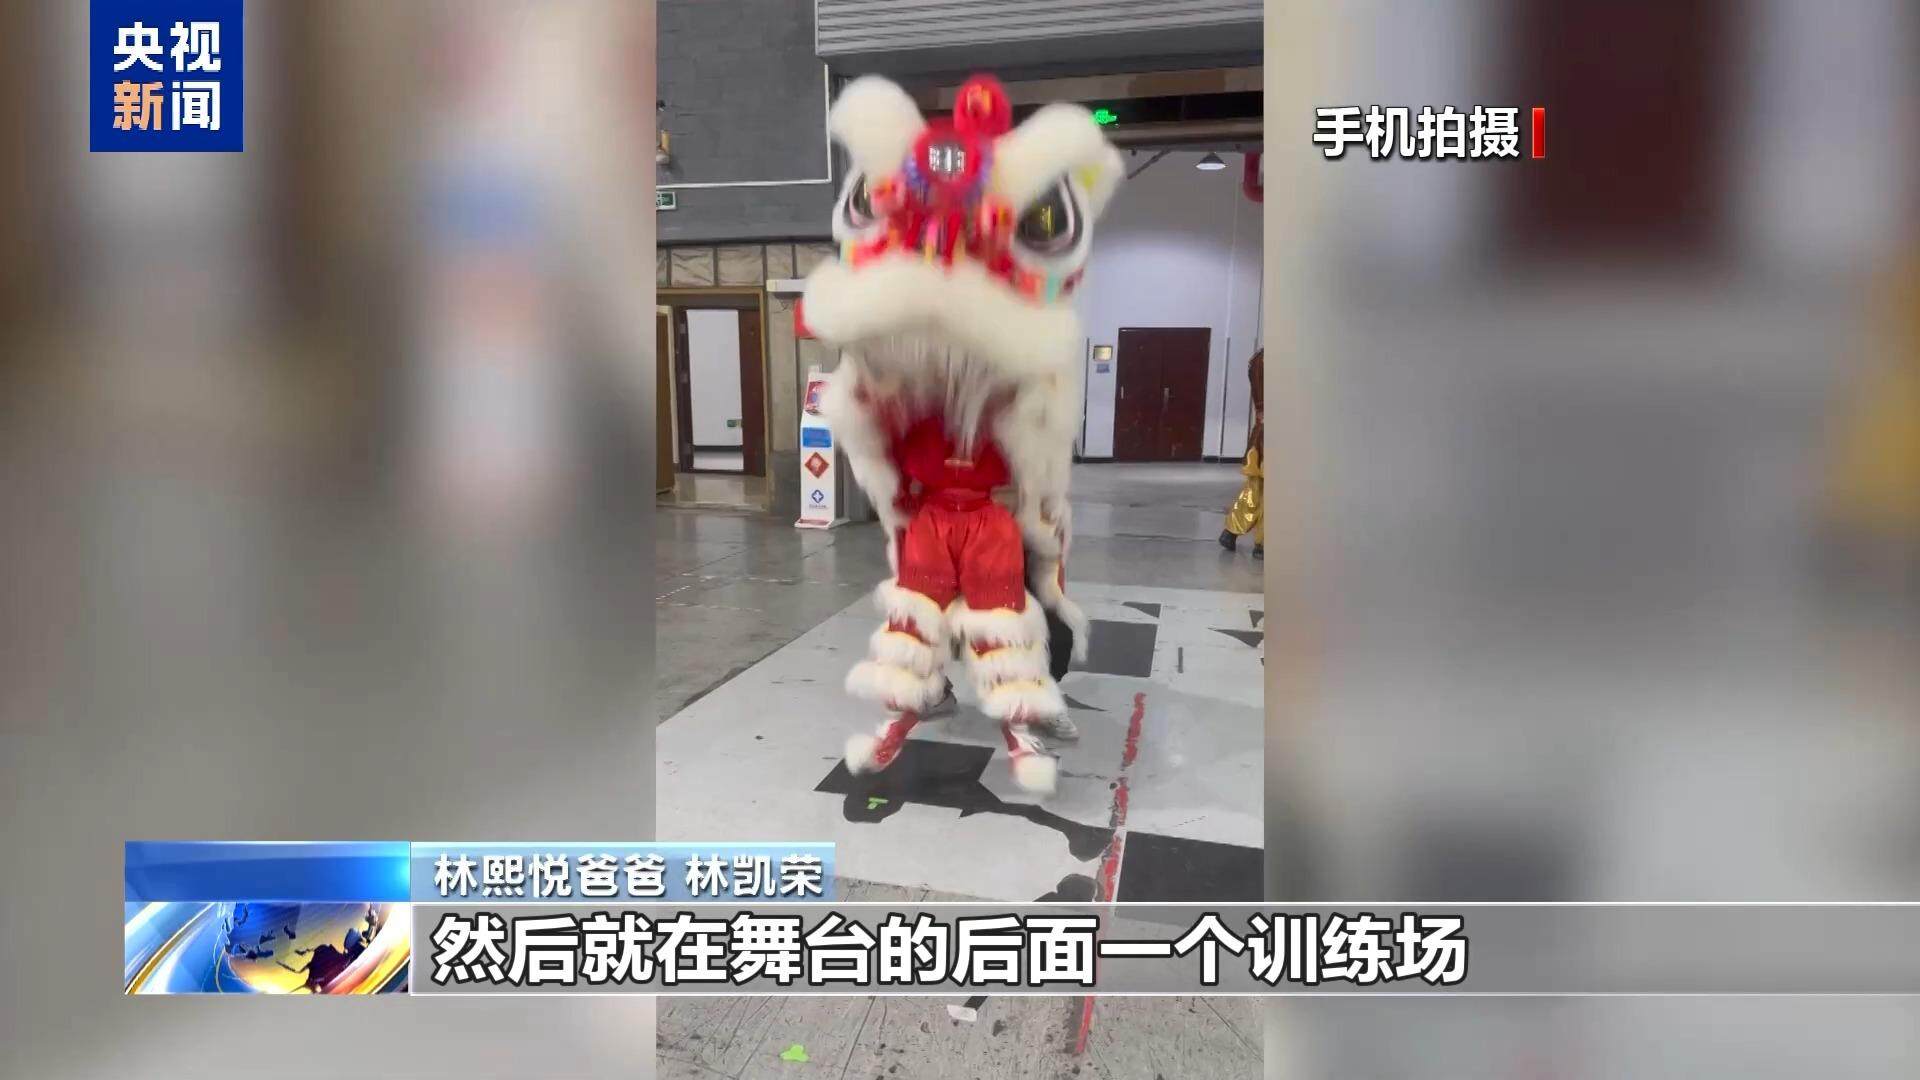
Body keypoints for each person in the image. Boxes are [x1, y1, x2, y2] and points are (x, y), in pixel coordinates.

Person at [795, 73, 1122, 795]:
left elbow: (1039, 468)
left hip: (994, 522)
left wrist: (1030, 514)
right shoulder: (907, 392)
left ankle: (1029, 708)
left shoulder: (1020, 388)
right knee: (925, 618)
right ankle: (935, 699)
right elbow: (879, 438)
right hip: (942, 521)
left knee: (1026, 614)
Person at [1220, 348, 1265, 560]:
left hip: (1260, 436)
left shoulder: (1256, 359)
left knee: (1254, 489)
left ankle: (1230, 531)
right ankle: (1263, 544)